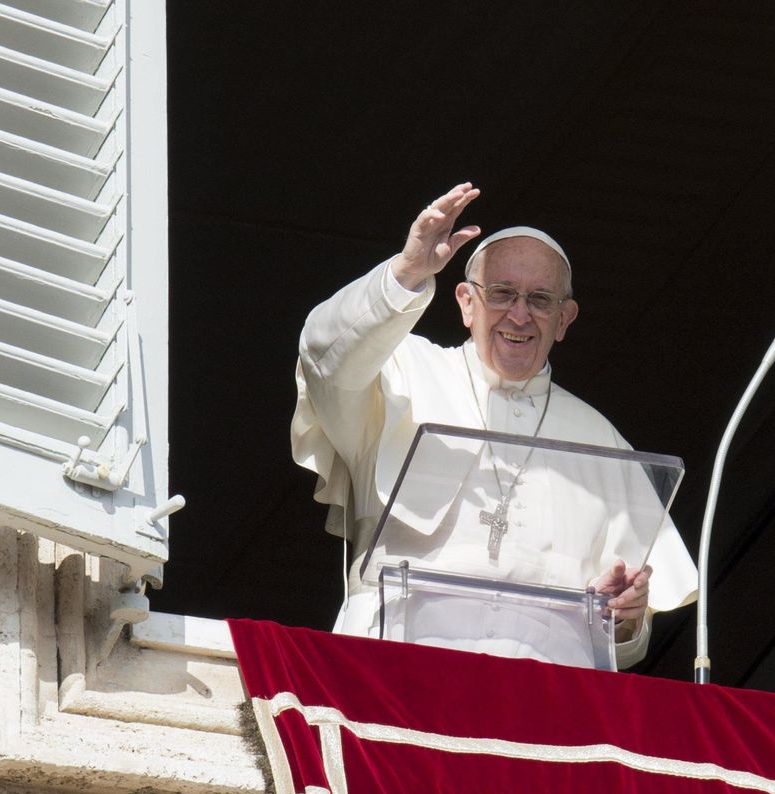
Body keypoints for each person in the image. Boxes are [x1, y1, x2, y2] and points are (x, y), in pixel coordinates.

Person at [291, 182, 697, 667]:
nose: (519, 315)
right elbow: (324, 357)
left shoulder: (601, 438)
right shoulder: (399, 374)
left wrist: (624, 615)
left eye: (541, 300)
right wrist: (407, 271)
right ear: (466, 302)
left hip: (545, 690)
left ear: (565, 319)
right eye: (502, 293)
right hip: (400, 660)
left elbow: (625, 632)